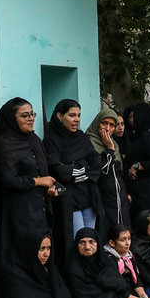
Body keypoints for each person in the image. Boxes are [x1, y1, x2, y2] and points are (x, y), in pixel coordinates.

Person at [0, 98, 58, 254]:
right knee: (25, 253)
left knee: (43, 253)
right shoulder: (5, 143)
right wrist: (38, 182)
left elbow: (41, 170)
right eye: (25, 115)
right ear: (12, 119)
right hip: (19, 210)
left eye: (32, 114)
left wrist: (47, 190)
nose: (31, 119)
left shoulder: (34, 140)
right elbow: (6, 180)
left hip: (40, 208)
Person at [44, 98, 101, 249]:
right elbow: (58, 170)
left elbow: (96, 164)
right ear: (59, 116)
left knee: (90, 241)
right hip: (68, 200)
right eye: (72, 115)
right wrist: (82, 167)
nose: (76, 120)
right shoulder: (51, 140)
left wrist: (74, 168)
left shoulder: (82, 138)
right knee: (77, 242)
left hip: (88, 198)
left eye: (79, 115)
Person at [86, 107, 132, 233]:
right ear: (97, 123)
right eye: (104, 123)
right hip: (101, 197)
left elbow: (118, 172)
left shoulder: (114, 144)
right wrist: (109, 150)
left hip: (118, 197)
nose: (107, 128)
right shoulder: (89, 142)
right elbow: (102, 171)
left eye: (112, 125)